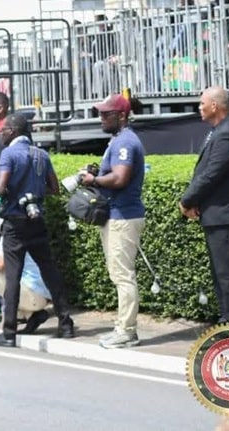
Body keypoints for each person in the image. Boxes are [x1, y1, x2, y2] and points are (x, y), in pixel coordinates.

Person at [0, 112, 75, 346]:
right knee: (50, 271)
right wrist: (34, 193)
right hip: (36, 219)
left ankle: (8, 334)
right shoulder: (41, 154)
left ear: (14, 131)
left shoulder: (9, 154)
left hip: (15, 223)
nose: (2, 135)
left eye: (5, 131)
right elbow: (54, 188)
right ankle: (66, 324)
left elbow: (1, 188)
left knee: (13, 276)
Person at [79, 94, 146, 349]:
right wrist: (97, 174)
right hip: (119, 215)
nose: (101, 118)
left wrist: (92, 180)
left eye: (106, 114)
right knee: (119, 274)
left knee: (123, 275)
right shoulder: (119, 140)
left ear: (122, 116)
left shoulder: (125, 142)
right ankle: (123, 328)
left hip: (123, 216)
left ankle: (126, 331)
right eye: (101, 114)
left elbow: (119, 179)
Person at [180, 86, 229, 324]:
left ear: (215, 106)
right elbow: (205, 172)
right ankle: (228, 324)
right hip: (217, 217)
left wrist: (187, 200)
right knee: (222, 278)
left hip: (228, 218)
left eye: (202, 103)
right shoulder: (217, 131)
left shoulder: (228, 133)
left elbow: (212, 174)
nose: (199, 107)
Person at [0, 238, 51, 343]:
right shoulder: (29, 228)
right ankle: (32, 315)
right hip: (40, 294)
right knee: (1, 276)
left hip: (31, 293)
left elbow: (0, 264)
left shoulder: (11, 232)